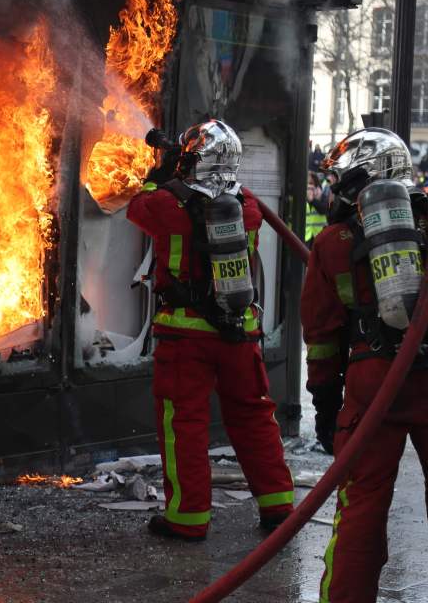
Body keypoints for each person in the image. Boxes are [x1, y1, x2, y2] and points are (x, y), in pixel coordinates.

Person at [302, 127, 428, 602]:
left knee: (361, 509)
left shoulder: (331, 242)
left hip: (372, 381)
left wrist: (325, 402)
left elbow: (321, 336)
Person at [127, 120, 295, 541]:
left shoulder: (167, 204)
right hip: (240, 332)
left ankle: (187, 518)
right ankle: (278, 505)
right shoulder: (249, 204)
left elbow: (136, 207)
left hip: (187, 337)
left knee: (183, 423)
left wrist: (162, 173)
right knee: (254, 416)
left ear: (190, 160)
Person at [305, 172, 328, 246]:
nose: (309, 186)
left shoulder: (321, 196)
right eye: (307, 183)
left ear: (316, 185)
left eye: (311, 183)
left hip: (319, 235)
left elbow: (323, 210)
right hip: (305, 236)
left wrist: (313, 200)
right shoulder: (301, 196)